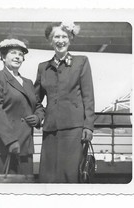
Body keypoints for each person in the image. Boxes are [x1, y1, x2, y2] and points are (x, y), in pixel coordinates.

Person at [34, 22, 95, 183]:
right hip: (50, 129)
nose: (60, 40)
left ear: (70, 39)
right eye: (56, 36)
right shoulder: (43, 68)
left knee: (70, 175)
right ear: (50, 40)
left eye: (64, 36)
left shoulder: (81, 62)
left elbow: (88, 97)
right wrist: (40, 115)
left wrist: (88, 126)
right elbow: (35, 99)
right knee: (48, 175)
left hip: (74, 129)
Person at [0, 38, 44, 183]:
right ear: (2, 56)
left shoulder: (28, 83)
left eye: (20, 54)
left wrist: (38, 117)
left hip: (24, 146)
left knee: (21, 192)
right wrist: (11, 140)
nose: (17, 56)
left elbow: (38, 106)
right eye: (13, 53)